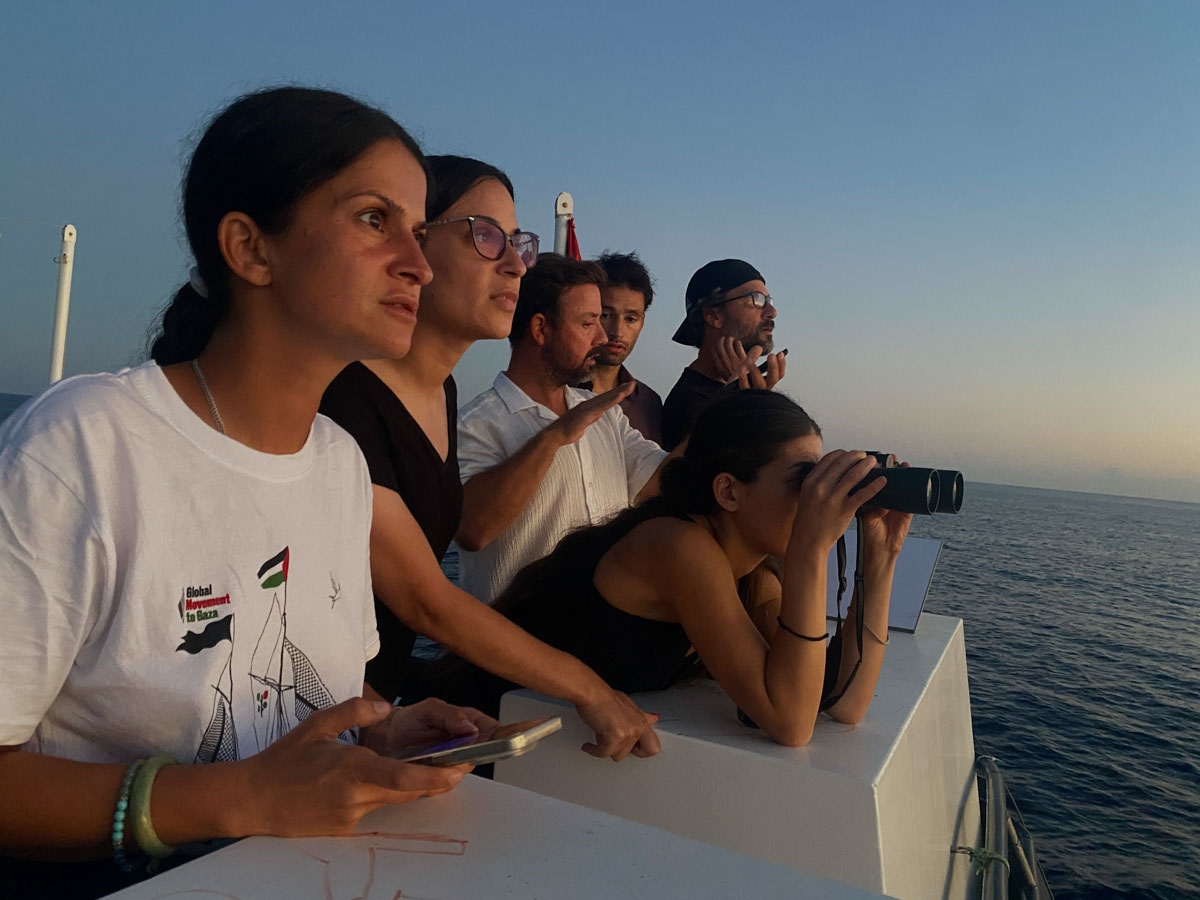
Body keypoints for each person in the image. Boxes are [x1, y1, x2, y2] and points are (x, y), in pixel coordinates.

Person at [0, 88, 493, 899]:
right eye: (375, 220)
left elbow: (292, 686)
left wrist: (384, 727)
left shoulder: (337, 463)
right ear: (250, 249)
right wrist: (242, 798)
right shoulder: (84, 445)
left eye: (417, 228)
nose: (420, 261)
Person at [319, 156, 659, 760]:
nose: (515, 263)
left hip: (357, 717)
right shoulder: (348, 398)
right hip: (288, 741)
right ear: (417, 246)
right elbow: (427, 594)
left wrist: (383, 720)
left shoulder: (437, 394)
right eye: (486, 235)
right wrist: (589, 691)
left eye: (519, 243)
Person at [429, 390, 913, 747]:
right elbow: (791, 723)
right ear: (728, 491)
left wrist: (882, 556)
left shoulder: (751, 574)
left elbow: (841, 703)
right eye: (801, 480)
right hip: (471, 737)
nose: (814, 497)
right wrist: (810, 549)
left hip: (540, 758)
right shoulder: (679, 547)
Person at [455, 254, 670, 607]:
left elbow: (668, 482)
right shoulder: (476, 423)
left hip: (602, 649)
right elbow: (472, 529)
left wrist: (726, 405)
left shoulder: (605, 416)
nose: (602, 336)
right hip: (515, 650)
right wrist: (555, 436)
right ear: (540, 329)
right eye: (588, 323)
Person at [660, 258, 788, 450]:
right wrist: (750, 403)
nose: (772, 311)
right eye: (757, 300)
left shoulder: (731, 393)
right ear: (713, 316)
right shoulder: (688, 404)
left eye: (769, 300)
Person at [578, 251, 664, 444]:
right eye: (606, 315)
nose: (617, 332)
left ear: (641, 323)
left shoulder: (649, 403)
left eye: (630, 319)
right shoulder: (559, 391)